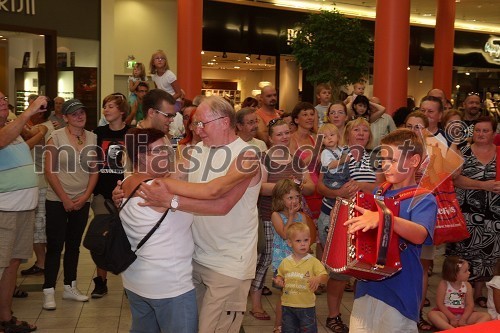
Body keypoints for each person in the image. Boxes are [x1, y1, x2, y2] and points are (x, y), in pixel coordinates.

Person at [133, 96, 262, 333]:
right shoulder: (196, 151)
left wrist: (170, 200)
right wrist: (130, 188)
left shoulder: (248, 156)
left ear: (224, 121)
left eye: (202, 123)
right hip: (196, 258)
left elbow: (219, 198)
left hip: (229, 264)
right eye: (195, 124)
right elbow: (171, 180)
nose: (197, 129)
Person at [345, 128, 438, 332]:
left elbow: (420, 234)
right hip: (367, 287)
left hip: (400, 292)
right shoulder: (380, 192)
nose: (385, 166)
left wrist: (383, 218)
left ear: (414, 161)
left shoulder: (423, 198)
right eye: (383, 160)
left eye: (393, 161)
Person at [120, 127, 197, 333]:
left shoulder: (127, 182)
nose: (167, 154)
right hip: (169, 285)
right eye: (160, 150)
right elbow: (213, 192)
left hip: (137, 282)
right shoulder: (160, 188)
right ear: (141, 156)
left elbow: (178, 169)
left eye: (168, 149)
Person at [316, 118, 383, 333]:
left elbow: (383, 185)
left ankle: (361, 317)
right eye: (356, 129)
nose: (361, 133)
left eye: (365, 130)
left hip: (367, 219)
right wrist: (338, 193)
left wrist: (363, 186)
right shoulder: (336, 154)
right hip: (336, 217)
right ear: (347, 133)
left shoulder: (376, 157)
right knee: (340, 271)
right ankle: (333, 316)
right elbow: (320, 186)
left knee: (365, 270)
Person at [248, 118, 315, 324]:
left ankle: (287, 300)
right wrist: (289, 187)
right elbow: (260, 187)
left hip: (294, 217)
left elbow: (311, 186)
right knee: (266, 259)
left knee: (290, 260)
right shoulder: (264, 158)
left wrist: (296, 189)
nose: (284, 137)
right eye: (279, 134)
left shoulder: (296, 159)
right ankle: (256, 303)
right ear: (270, 138)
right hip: (270, 215)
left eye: (287, 133)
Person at [42, 99, 98, 310]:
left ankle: (70, 287)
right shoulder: (55, 137)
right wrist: (65, 198)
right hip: (57, 199)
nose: (80, 116)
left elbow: (94, 170)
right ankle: (48, 291)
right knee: (56, 246)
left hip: (82, 199)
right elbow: (50, 171)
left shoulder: (92, 137)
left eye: (82, 112)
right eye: (74, 114)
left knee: (74, 245)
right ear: (65, 117)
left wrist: (85, 197)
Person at [0, 91, 47, 333]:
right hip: (4, 209)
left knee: (12, 262)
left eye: (3, 98)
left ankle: (5, 317)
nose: (3, 101)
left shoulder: (11, 127)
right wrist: (28, 112)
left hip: (22, 207)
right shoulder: (7, 130)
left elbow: (22, 144)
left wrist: (37, 129)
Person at [448, 116, 500, 309]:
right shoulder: (463, 152)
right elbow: (455, 179)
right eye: (477, 130)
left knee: (489, 254)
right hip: (467, 211)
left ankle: (479, 292)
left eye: (485, 131)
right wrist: (482, 185)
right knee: (465, 251)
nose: (480, 134)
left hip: (494, 213)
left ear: (494, 133)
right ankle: (461, 291)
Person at [91, 93, 131, 298]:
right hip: (101, 194)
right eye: (105, 106)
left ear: (122, 111)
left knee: (128, 239)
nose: (106, 110)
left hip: (127, 194)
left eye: (111, 106)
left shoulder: (132, 133)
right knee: (100, 239)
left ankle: (131, 283)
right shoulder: (98, 132)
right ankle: (101, 282)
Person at [270, 179, 310, 333]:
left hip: (299, 263)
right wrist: (292, 216)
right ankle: (278, 326)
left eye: (296, 197)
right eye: (290, 197)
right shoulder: (276, 215)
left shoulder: (303, 217)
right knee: (285, 296)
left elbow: (306, 238)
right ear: (280, 199)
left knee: (297, 295)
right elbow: (285, 234)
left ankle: (295, 325)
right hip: (283, 264)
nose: (294, 201)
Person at [274, 223, 328, 333]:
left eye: (306, 240)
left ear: (310, 241)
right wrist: (279, 280)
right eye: (298, 241)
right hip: (287, 306)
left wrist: (318, 279)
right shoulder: (285, 262)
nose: (303, 244)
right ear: (290, 243)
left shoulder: (313, 262)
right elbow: (280, 275)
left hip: (306, 307)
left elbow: (325, 277)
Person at [20, 107, 55, 277]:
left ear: (40, 113)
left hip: (41, 184)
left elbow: (28, 141)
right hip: (36, 183)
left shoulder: (45, 127)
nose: (28, 110)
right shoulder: (41, 127)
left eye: (32, 107)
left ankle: (43, 263)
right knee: (39, 226)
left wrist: (26, 128)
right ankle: (44, 262)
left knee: (39, 227)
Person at [427, 256, 491, 329]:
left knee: (486, 316)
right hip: (446, 314)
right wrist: (451, 317)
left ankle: (472, 330)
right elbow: (440, 304)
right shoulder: (444, 284)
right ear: (455, 274)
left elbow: (469, 305)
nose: (469, 273)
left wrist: (464, 318)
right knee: (431, 315)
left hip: (463, 314)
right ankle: (451, 329)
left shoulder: (467, 285)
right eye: (465, 271)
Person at [318, 123, 350, 193]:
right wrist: (342, 160)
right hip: (333, 179)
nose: (329, 138)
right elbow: (330, 165)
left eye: (332, 135)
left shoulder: (340, 149)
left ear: (338, 136)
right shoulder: (325, 152)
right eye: (324, 137)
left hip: (344, 177)